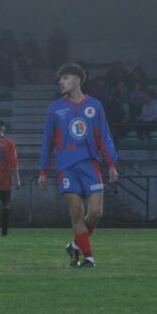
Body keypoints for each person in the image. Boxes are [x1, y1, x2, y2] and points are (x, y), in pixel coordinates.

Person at [39, 63, 119, 268]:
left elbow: (104, 136)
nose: (61, 82)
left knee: (95, 213)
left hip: (91, 165)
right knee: (76, 211)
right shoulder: (55, 109)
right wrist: (43, 170)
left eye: (65, 78)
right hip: (67, 166)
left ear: (77, 80)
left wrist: (111, 163)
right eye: (60, 79)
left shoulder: (95, 106)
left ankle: (75, 245)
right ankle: (89, 257)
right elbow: (47, 140)